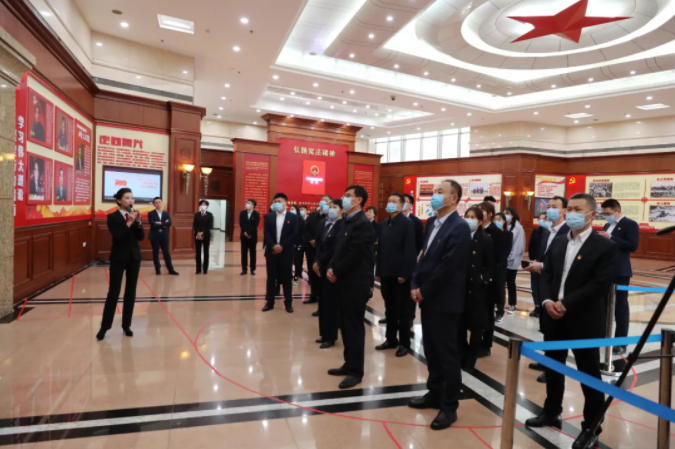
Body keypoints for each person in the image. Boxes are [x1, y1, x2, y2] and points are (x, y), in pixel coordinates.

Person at [525, 193, 619, 449]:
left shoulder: (604, 246)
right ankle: (551, 411)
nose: (571, 213)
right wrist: (547, 301)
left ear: (592, 214)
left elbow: (600, 284)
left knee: (589, 374)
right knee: (553, 368)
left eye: (578, 209)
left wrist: (566, 303)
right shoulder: (558, 242)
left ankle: (591, 427)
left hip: (584, 319)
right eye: (570, 209)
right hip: (553, 316)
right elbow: (547, 274)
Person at [408, 179, 470, 430]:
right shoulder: (432, 223)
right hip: (428, 298)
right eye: (434, 191)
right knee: (431, 350)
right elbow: (423, 257)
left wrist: (424, 290)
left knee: (447, 354)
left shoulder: (459, 227)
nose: (434, 195)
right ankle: (434, 393)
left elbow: (448, 266)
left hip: (445, 300)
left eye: (440, 192)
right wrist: (415, 283)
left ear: (453, 198)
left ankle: (449, 406)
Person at [326, 185, 375, 389]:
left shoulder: (363, 224)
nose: (343, 198)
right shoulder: (346, 221)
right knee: (345, 325)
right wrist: (331, 267)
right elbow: (338, 250)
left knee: (354, 327)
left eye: (348, 196)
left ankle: (356, 371)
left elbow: (354, 254)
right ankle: (349, 363)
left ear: (358, 200)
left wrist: (336, 270)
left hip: (356, 282)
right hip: (343, 280)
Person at [525, 196, 570, 376]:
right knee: (547, 327)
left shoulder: (568, 232)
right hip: (544, 283)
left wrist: (542, 266)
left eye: (554, 206)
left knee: (558, 331)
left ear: (564, 210)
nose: (550, 209)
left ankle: (554, 369)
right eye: (549, 206)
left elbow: (564, 262)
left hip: (558, 285)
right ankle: (546, 360)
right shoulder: (547, 232)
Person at [96, 188, 144, 341]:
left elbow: (141, 237)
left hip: (134, 258)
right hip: (118, 258)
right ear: (119, 200)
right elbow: (118, 236)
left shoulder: (134, 215)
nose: (130, 200)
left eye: (132, 198)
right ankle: (104, 327)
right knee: (114, 292)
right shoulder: (113, 217)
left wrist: (139, 222)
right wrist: (129, 222)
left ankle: (126, 325)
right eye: (127, 198)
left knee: (131, 292)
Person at [375, 193, 417, 357]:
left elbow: (409, 250)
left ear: (401, 206)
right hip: (386, 273)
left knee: (403, 311)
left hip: (400, 275)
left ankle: (405, 343)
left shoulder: (407, 223)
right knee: (389, 309)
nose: (390, 203)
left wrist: (404, 273)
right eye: (389, 201)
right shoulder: (385, 223)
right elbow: (380, 249)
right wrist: (378, 271)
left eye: (394, 201)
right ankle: (390, 339)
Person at [600, 199, 639, 355]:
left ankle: (621, 342)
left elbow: (632, 246)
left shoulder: (630, 224)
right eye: (604, 213)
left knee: (620, 307)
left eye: (608, 213)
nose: (606, 216)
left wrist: (610, 237)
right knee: (603, 305)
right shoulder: (607, 225)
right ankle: (603, 335)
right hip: (605, 270)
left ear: (618, 211)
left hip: (620, 271)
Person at [460, 206, 494, 372]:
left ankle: (471, 358)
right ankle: (462, 353)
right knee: (459, 324)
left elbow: (490, 265)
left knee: (476, 326)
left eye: (473, 217)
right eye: (467, 216)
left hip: (477, 289)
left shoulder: (485, 239)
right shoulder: (460, 237)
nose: (469, 219)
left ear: (480, 221)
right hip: (460, 287)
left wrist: (483, 279)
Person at [313, 199, 344, 348]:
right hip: (323, 267)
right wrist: (316, 261)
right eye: (330, 207)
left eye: (334, 207)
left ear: (342, 210)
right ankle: (324, 334)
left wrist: (320, 262)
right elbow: (320, 246)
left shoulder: (341, 226)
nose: (331, 209)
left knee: (331, 304)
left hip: (332, 268)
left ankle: (330, 337)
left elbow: (334, 250)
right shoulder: (328, 225)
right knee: (323, 302)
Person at [478, 201, 506, 357]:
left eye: (482, 210)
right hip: (476, 277)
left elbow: (498, 258)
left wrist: (487, 276)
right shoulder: (476, 230)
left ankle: (486, 344)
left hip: (490, 279)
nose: (479, 212)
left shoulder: (496, 233)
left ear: (490, 214)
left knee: (488, 312)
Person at [263, 193, 299, 313]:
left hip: (286, 252)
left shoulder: (292, 217)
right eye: (275, 201)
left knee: (286, 278)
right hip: (271, 252)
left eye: (279, 201)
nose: (276, 203)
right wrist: (274, 246)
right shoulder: (269, 216)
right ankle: (270, 302)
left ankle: (288, 303)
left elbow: (294, 233)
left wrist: (282, 246)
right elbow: (266, 233)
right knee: (271, 278)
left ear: (285, 203)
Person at [401, 193, 425, 329]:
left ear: (411, 205)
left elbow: (420, 242)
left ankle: (409, 317)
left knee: (409, 289)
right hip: (396, 261)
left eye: (405, 201)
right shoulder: (393, 220)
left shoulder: (416, 222)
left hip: (411, 260)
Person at [304, 195, 332, 305]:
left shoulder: (329, 217)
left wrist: (318, 241)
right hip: (311, 248)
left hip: (323, 249)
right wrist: (311, 240)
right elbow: (306, 229)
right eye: (322, 200)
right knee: (312, 272)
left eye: (326, 201)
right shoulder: (312, 215)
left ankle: (322, 297)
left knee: (322, 272)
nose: (324, 202)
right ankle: (313, 295)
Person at [148, 197, 178, 276]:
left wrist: (160, 223)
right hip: (154, 236)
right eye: (156, 202)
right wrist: (164, 223)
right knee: (155, 253)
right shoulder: (150, 213)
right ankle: (157, 269)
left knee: (166, 253)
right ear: (154, 204)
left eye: (159, 202)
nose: (158, 204)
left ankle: (170, 269)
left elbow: (169, 223)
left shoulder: (166, 213)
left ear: (161, 203)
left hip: (164, 236)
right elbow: (153, 224)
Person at [527, 212, 549, 318]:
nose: (542, 221)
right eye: (540, 218)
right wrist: (532, 259)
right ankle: (537, 306)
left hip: (544, 264)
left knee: (542, 288)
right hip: (534, 261)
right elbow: (531, 245)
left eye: (544, 219)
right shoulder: (536, 231)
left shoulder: (550, 233)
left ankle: (543, 308)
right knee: (534, 287)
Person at [504, 207, 525, 315]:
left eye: (508, 213)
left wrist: (509, 257)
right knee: (500, 283)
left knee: (511, 282)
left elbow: (518, 246)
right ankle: (499, 304)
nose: (506, 215)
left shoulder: (518, 228)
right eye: (504, 213)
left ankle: (512, 305)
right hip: (502, 260)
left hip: (512, 260)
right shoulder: (503, 226)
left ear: (513, 215)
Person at [239, 199, 260, 276]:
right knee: (244, 253)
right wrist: (245, 232)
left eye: (249, 203)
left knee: (253, 253)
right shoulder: (242, 213)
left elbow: (255, 225)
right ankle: (244, 269)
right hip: (244, 236)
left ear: (253, 206)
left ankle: (252, 269)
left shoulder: (256, 214)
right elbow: (241, 223)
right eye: (247, 203)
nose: (247, 204)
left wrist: (249, 233)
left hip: (252, 236)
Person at [193, 200, 214, 275]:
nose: (203, 206)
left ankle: (205, 269)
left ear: (207, 206)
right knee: (198, 253)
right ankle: (198, 269)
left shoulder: (210, 215)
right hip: (197, 235)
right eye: (201, 204)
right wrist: (198, 232)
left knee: (206, 252)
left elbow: (210, 226)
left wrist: (202, 232)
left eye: (204, 205)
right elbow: (194, 225)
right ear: (199, 206)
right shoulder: (196, 215)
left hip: (206, 235)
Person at [366, 205, 380, 301]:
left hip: (372, 250)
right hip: (362, 250)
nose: (368, 213)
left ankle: (370, 289)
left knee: (370, 270)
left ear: (374, 214)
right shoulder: (362, 224)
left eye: (370, 212)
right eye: (367, 211)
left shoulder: (377, 226)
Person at [293, 205, 309, 285]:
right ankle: (297, 274)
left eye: (302, 209)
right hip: (298, 243)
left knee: (309, 260)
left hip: (308, 243)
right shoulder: (296, 219)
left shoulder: (308, 219)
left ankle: (310, 276)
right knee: (297, 260)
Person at [291, 204, 306, 285]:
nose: (291, 210)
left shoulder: (301, 220)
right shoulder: (289, 219)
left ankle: (297, 275)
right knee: (289, 260)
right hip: (289, 243)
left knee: (297, 261)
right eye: (290, 209)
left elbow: (301, 233)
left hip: (298, 243)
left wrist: (296, 243)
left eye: (293, 209)